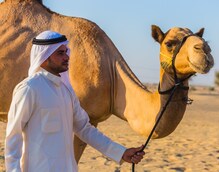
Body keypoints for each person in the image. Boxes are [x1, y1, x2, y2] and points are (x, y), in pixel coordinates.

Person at [5, 30, 145, 172]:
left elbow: (84, 128)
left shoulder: (66, 91)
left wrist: (121, 152)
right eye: (60, 53)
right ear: (45, 56)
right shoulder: (29, 89)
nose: (67, 57)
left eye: (66, 52)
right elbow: (13, 137)